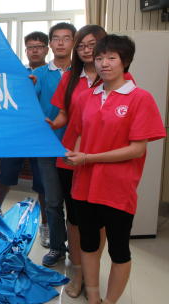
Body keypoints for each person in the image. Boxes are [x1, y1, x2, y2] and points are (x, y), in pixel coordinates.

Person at [65, 34, 165, 304]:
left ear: (125, 61)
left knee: (119, 250)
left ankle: (110, 301)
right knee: (88, 244)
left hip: (117, 188)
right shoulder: (87, 96)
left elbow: (137, 149)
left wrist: (88, 158)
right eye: (99, 58)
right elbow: (79, 133)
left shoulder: (140, 98)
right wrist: (76, 157)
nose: (104, 63)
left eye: (111, 57)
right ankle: (93, 296)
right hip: (84, 186)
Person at [0, 31, 50, 248]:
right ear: (25, 50)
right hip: (16, 133)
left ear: (46, 49)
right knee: (5, 175)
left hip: (42, 135)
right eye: (30, 47)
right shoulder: (17, 73)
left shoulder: (52, 73)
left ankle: (46, 224)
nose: (35, 50)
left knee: (43, 183)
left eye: (39, 46)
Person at [30, 22, 75, 268]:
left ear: (73, 43)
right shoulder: (40, 74)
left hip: (78, 148)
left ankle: (77, 251)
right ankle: (57, 247)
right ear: (51, 44)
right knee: (53, 202)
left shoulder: (83, 73)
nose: (60, 43)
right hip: (48, 146)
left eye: (66, 38)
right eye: (56, 38)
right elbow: (29, 104)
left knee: (77, 203)